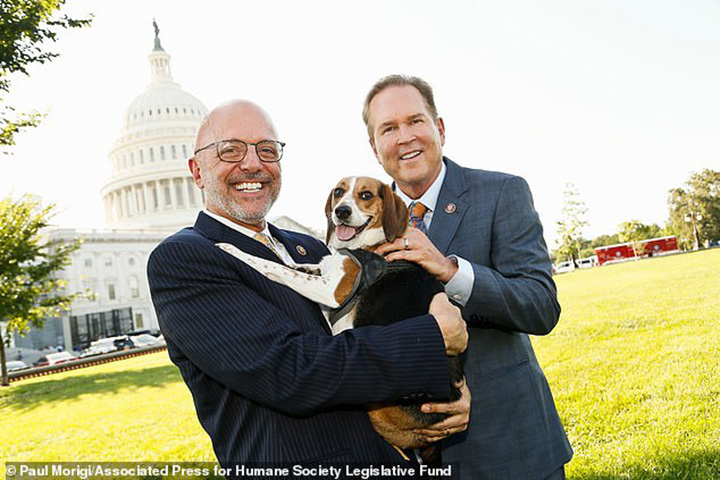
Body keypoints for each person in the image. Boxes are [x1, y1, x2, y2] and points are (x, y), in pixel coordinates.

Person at [147, 99, 469, 472]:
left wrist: (450, 391)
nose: (252, 164)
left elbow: (385, 315)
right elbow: (290, 372)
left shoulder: (313, 247)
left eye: (267, 150)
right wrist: (431, 338)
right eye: (230, 150)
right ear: (197, 171)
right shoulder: (185, 258)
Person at [367, 75, 573, 479]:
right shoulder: (360, 219)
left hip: (509, 451)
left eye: (415, 121)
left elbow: (541, 306)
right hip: (406, 454)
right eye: (388, 129)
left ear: (440, 128)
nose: (404, 137)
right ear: (375, 148)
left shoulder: (501, 193)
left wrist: (450, 271)